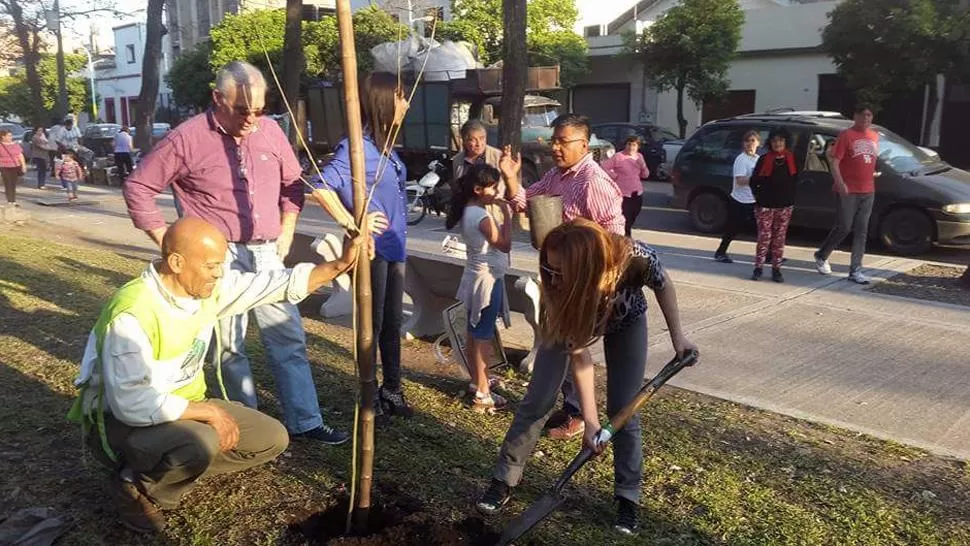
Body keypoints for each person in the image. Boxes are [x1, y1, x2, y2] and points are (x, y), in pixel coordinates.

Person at [68, 217, 368, 533]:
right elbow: (131, 402)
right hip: (124, 422)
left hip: (183, 407)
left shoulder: (204, 290)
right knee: (202, 441)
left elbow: (270, 284)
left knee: (271, 438)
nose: (219, 273)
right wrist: (208, 412)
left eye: (222, 264)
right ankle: (135, 485)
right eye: (212, 265)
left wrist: (338, 265)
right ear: (176, 262)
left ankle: (174, 464)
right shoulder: (132, 313)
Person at [123, 60, 349, 445]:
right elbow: (138, 187)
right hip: (218, 257)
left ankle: (306, 420)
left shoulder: (272, 131)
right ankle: (247, 426)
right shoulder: (186, 139)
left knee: (288, 336)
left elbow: (292, 184)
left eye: (258, 111)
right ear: (217, 99)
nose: (251, 119)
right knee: (229, 347)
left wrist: (288, 228)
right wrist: (170, 245)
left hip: (267, 251)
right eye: (242, 110)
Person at [476, 218, 697, 536]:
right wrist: (590, 422)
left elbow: (664, 285)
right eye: (549, 269)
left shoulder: (635, 257)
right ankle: (505, 478)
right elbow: (580, 357)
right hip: (570, 316)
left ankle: (627, 498)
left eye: (559, 271)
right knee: (538, 399)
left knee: (624, 409)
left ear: (585, 267)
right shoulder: (560, 288)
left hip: (626, 319)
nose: (551, 276)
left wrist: (679, 338)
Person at [499, 113, 625, 441]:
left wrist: (600, 283)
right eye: (554, 141)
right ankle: (572, 406)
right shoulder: (557, 176)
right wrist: (511, 178)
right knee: (564, 343)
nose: (555, 147)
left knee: (575, 346)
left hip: (586, 281)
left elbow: (616, 238)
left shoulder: (592, 182)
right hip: (559, 277)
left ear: (584, 145)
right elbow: (525, 203)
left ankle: (581, 413)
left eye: (563, 142)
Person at [311, 71, 413, 421]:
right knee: (373, 321)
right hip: (371, 250)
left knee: (392, 322)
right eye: (400, 96)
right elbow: (321, 186)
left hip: (395, 247)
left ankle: (393, 388)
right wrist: (353, 222)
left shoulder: (385, 146)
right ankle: (368, 393)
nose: (406, 103)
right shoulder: (356, 149)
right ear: (383, 102)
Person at [446, 164, 512, 413]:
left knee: (475, 333)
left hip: (475, 276)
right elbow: (504, 245)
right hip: (488, 279)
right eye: (493, 187)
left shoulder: (469, 211)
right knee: (483, 336)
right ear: (478, 189)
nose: (496, 191)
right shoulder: (482, 217)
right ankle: (483, 394)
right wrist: (507, 216)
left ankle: (478, 380)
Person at [814, 105, 879, 285]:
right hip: (848, 190)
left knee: (862, 230)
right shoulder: (846, 135)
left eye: (869, 114)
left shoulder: (874, 136)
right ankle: (822, 255)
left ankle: (856, 270)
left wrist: (871, 173)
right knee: (844, 226)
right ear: (855, 116)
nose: (866, 118)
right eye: (863, 114)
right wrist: (840, 183)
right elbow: (835, 162)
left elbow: (870, 161)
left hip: (868, 190)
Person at [749, 129, 798, 283]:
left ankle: (776, 269)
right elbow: (754, 181)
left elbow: (795, 180)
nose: (778, 144)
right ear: (770, 142)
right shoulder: (764, 159)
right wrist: (758, 197)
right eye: (775, 141)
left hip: (784, 205)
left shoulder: (792, 159)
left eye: (781, 141)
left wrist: (790, 198)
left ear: (785, 142)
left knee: (779, 238)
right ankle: (758, 267)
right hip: (765, 205)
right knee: (764, 237)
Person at [714, 130, 760, 263]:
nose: (750, 144)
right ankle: (720, 252)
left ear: (758, 143)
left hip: (753, 199)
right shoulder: (741, 159)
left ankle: (768, 255)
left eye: (752, 141)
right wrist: (756, 180)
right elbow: (740, 180)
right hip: (740, 200)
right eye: (747, 141)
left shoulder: (757, 159)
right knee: (733, 228)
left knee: (761, 229)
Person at [600, 135, 649, 236]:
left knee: (634, 215)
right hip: (623, 194)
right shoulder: (618, 156)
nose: (631, 147)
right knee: (625, 218)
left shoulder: (639, 157)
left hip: (637, 192)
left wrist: (642, 165)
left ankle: (627, 234)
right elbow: (604, 167)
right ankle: (626, 238)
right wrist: (614, 176)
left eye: (634, 145)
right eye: (629, 144)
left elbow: (646, 175)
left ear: (637, 147)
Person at [0, 129, 26, 206]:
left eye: (11, 135)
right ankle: (9, 201)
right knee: (8, 183)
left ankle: (13, 201)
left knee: (13, 184)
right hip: (4, 166)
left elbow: (20, 155)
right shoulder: (0, 146)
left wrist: (23, 166)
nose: (11, 137)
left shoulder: (15, 145)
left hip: (15, 166)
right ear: (3, 136)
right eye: (9, 136)